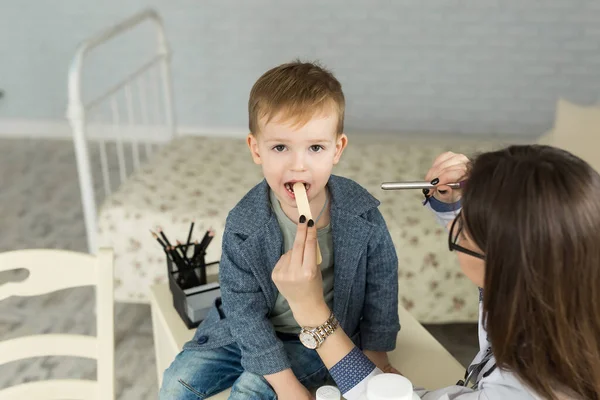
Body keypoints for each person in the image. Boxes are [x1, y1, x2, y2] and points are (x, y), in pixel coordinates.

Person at [272, 145, 600, 400]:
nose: (454, 232)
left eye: (463, 232)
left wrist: (313, 314)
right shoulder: (565, 271)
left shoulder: (529, 387)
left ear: (507, 263)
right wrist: (455, 200)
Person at [159, 60, 402, 400]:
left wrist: (377, 352)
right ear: (256, 149)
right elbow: (242, 309)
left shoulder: (362, 215)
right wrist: (287, 385)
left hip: (320, 334)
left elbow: (382, 284)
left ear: (337, 149)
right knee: (176, 383)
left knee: (250, 390)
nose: (298, 164)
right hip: (246, 329)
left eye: (315, 147)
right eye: (280, 147)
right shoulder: (245, 224)